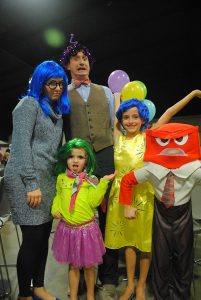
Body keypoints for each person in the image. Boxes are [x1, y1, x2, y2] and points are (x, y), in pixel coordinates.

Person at [104, 89, 201, 300]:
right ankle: (129, 285)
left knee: (145, 243)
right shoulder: (118, 137)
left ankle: (140, 286)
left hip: (145, 196)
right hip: (123, 196)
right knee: (128, 242)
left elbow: (168, 113)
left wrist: (192, 95)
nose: (130, 121)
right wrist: (116, 96)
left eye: (135, 117)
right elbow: (114, 116)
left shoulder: (149, 136)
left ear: (142, 119)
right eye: (126, 117)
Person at [4, 60, 70, 300]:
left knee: (43, 237)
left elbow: (51, 152)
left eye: (61, 83)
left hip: (47, 179)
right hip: (25, 178)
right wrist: (31, 184)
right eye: (51, 83)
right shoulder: (28, 105)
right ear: (41, 82)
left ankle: (39, 286)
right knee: (32, 239)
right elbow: (20, 148)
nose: (57, 88)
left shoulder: (57, 112)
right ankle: (24, 294)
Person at [60, 34, 117, 299]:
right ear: (68, 65)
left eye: (85, 59)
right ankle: (81, 275)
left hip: (105, 155)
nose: (81, 62)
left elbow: (112, 126)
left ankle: (108, 275)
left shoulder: (105, 91)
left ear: (89, 64)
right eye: (76, 59)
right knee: (79, 216)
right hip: (79, 160)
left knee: (108, 214)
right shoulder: (62, 93)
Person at [51, 138, 116, 300]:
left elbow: (94, 201)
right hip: (68, 230)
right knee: (72, 265)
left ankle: (90, 295)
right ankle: (73, 296)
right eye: (71, 156)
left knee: (89, 266)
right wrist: (55, 208)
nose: (75, 160)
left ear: (87, 161)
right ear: (65, 158)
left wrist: (103, 184)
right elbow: (58, 196)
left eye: (80, 157)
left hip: (87, 230)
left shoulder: (91, 180)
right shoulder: (61, 178)